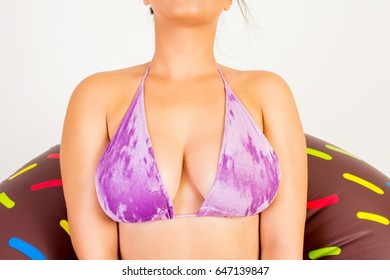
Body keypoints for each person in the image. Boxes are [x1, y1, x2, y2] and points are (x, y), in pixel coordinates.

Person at [60, 0, 308, 260]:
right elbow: (96, 262)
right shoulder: (95, 97)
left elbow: (284, 250)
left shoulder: (268, 93)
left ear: (228, 2)